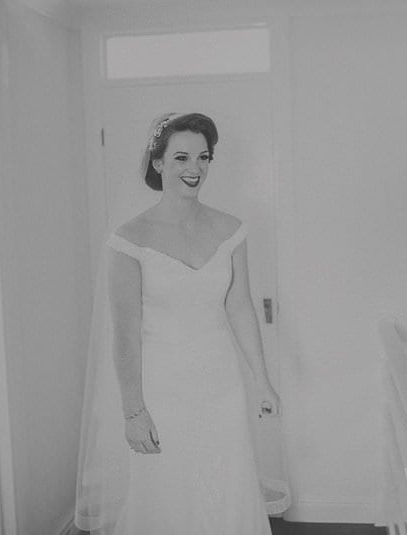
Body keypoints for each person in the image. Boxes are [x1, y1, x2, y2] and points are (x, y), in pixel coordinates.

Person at [75, 112, 280, 534]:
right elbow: (126, 337)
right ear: (158, 163)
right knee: (167, 492)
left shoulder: (232, 229)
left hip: (221, 384)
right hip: (163, 390)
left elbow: (239, 306)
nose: (195, 169)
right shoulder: (128, 240)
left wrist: (262, 380)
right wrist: (133, 413)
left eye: (203, 158)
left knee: (226, 486)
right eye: (182, 157)